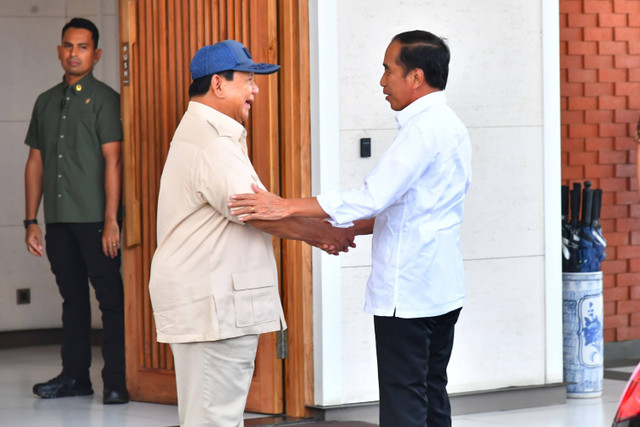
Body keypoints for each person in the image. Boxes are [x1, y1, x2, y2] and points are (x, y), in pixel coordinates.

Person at [228, 30, 472, 427]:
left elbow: (372, 196)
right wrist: (341, 230)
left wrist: (284, 205)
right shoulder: (450, 125)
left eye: (388, 70)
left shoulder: (423, 130)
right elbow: (408, 208)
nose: (382, 81)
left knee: (404, 396)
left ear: (416, 77)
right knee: (430, 390)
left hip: (407, 290)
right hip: (441, 287)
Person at [148, 40, 354, 426]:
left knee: (211, 415)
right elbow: (256, 212)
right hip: (213, 304)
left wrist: (322, 229)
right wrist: (323, 233)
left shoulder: (206, 134)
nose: (255, 90)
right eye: (248, 80)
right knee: (215, 418)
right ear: (218, 85)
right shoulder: (213, 142)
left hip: (211, 302)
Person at [23, 18, 128, 404]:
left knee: (111, 300)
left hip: (97, 220)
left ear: (96, 54)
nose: (74, 53)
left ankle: (116, 381)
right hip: (60, 220)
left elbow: (113, 162)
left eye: (82, 47)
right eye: (68, 46)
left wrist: (111, 221)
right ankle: (75, 378)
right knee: (72, 300)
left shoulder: (105, 99)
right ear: (59, 51)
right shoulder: (45, 102)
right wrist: (31, 220)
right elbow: (35, 162)